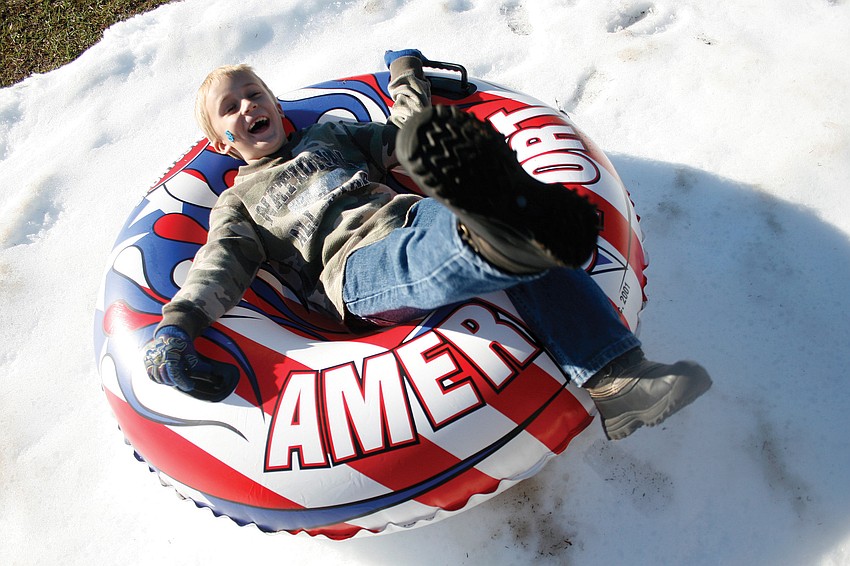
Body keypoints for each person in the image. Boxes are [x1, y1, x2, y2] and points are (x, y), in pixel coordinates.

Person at [143, 50, 711, 440]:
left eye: (254, 93)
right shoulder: (239, 203)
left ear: (275, 102)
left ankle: (617, 382)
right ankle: (496, 234)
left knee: (496, 222)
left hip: (419, 217)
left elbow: (408, 139)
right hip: (359, 272)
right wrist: (176, 328)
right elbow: (216, 270)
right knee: (483, 230)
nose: (248, 106)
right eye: (231, 107)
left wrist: (406, 76)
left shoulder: (333, 135)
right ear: (221, 139)